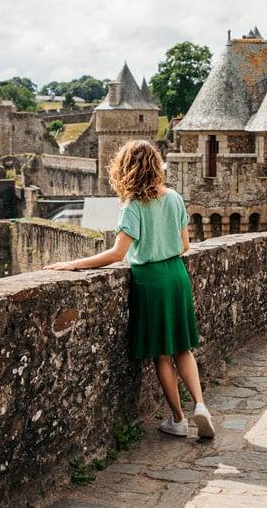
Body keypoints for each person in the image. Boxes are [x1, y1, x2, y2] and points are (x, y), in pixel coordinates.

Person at [45, 140, 215, 439]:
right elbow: (186, 245)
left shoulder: (133, 205)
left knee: (162, 354)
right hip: (176, 274)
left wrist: (74, 265)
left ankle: (178, 419)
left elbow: (117, 254)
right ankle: (200, 405)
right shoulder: (174, 198)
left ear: (126, 169)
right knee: (182, 347)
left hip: (150, 279)